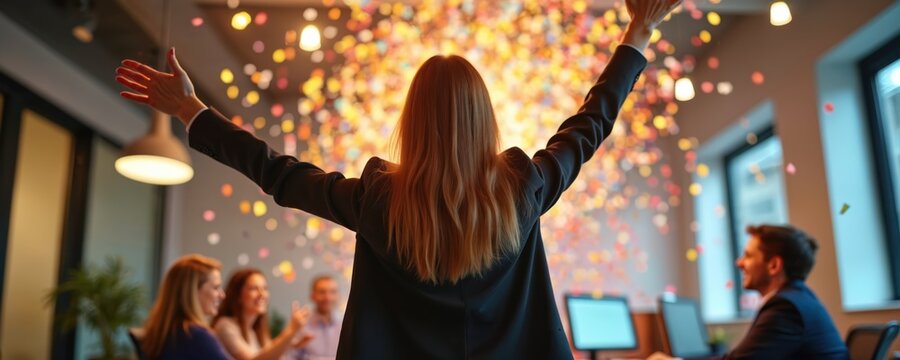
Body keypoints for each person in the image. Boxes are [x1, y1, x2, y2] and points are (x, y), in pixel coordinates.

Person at [114, 0, 680, 357]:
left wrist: (192, 112)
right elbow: (590, 124)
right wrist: (637, 30)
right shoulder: (521, 188)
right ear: (485, 119)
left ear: (411, 123)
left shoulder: (378, 199)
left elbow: (278, 174)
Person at [650, 225, 849, 360]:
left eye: (748, 255)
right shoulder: (799, 299)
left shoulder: (786, 308)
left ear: (773, 265)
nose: (739, 263)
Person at [140, 254, 230, 359]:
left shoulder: (163, 333)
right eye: (216, 288)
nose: (222, 295)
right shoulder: (195, 335)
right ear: (192, 292)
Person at [213, 268, 313, 360]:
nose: (262, 294)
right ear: (238, 295)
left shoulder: (255, 331)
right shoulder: (225, 326)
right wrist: (291, 330)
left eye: (265, 288)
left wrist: (290, 344)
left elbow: (270, 354)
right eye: (254, 288)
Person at [289, 275, 342, 360]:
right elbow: (290, 357)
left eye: (333, 292)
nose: (327, 297)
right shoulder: (301, 324)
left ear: (338, 296)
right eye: (322, 292)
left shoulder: (347, 325)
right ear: (312, 296)